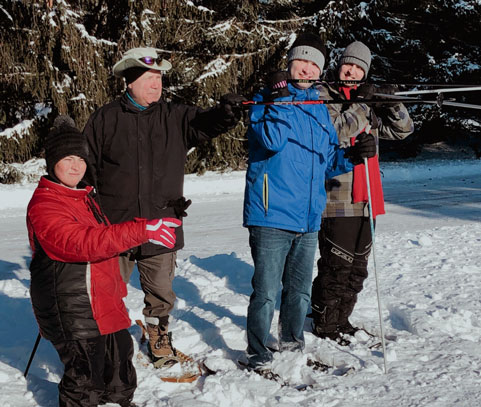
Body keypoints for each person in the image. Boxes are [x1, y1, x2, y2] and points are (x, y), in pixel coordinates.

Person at [83, 46, 246, 366]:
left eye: (159, 77)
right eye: (148, 77)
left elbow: (206, 124)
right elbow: (85, 167)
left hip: (161, 221)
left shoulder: (175, 116)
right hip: (115, 226)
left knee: (160, 290)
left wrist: (225, 112)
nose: (155, 84)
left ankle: (158, 333)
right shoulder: (105, 118)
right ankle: (107, 340)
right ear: (129, 81)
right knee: (107, 289)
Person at [243, 32, 377, 370]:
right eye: (301, 62)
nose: (306, 69)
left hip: (308, 215)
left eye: (313, 64)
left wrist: (354, 156)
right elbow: (272, 140)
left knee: (299, 291)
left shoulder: (318, 110)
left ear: (319, 70)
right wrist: (278, 98)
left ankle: (291, 346)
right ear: (290, 64)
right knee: (267, 292)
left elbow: (328, 160)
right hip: (272, 213)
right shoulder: (265, 102)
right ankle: (258, 354)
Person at [27, 116, 182, 407]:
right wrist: (141, 231)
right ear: (52, 162)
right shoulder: (45, 204)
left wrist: (151, 219)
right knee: (86, 379)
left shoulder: (83, 197)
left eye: (81, 159)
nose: (76, 166)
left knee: (120, 368)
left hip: (102, 300)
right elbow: (81, 243)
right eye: (68, 158)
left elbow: (109, 233)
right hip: (73, 307)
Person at [310, 41, 415, 343]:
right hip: (336, 199)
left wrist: (391, 102)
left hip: (367, 197)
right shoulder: (323, 97)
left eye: (359, 68)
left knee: (357, 268)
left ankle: (342, 319)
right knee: (336, 266)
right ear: (339, 66)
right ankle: (325, 323)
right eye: (348, 65)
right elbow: (337, 131)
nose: (352, 71)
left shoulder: (367, 105)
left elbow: (403, 130)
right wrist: (363, 104)